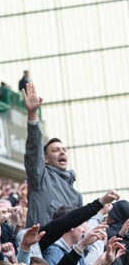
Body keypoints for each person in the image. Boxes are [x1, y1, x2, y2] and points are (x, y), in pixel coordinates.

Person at [23, 82, 82, 226]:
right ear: (46, 160)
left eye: (64, 150)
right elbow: (33, 151)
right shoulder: (40, 178)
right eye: (55, 150)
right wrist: (32, 115)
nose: (62, 152)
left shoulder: (76, 196)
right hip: (41, 245)